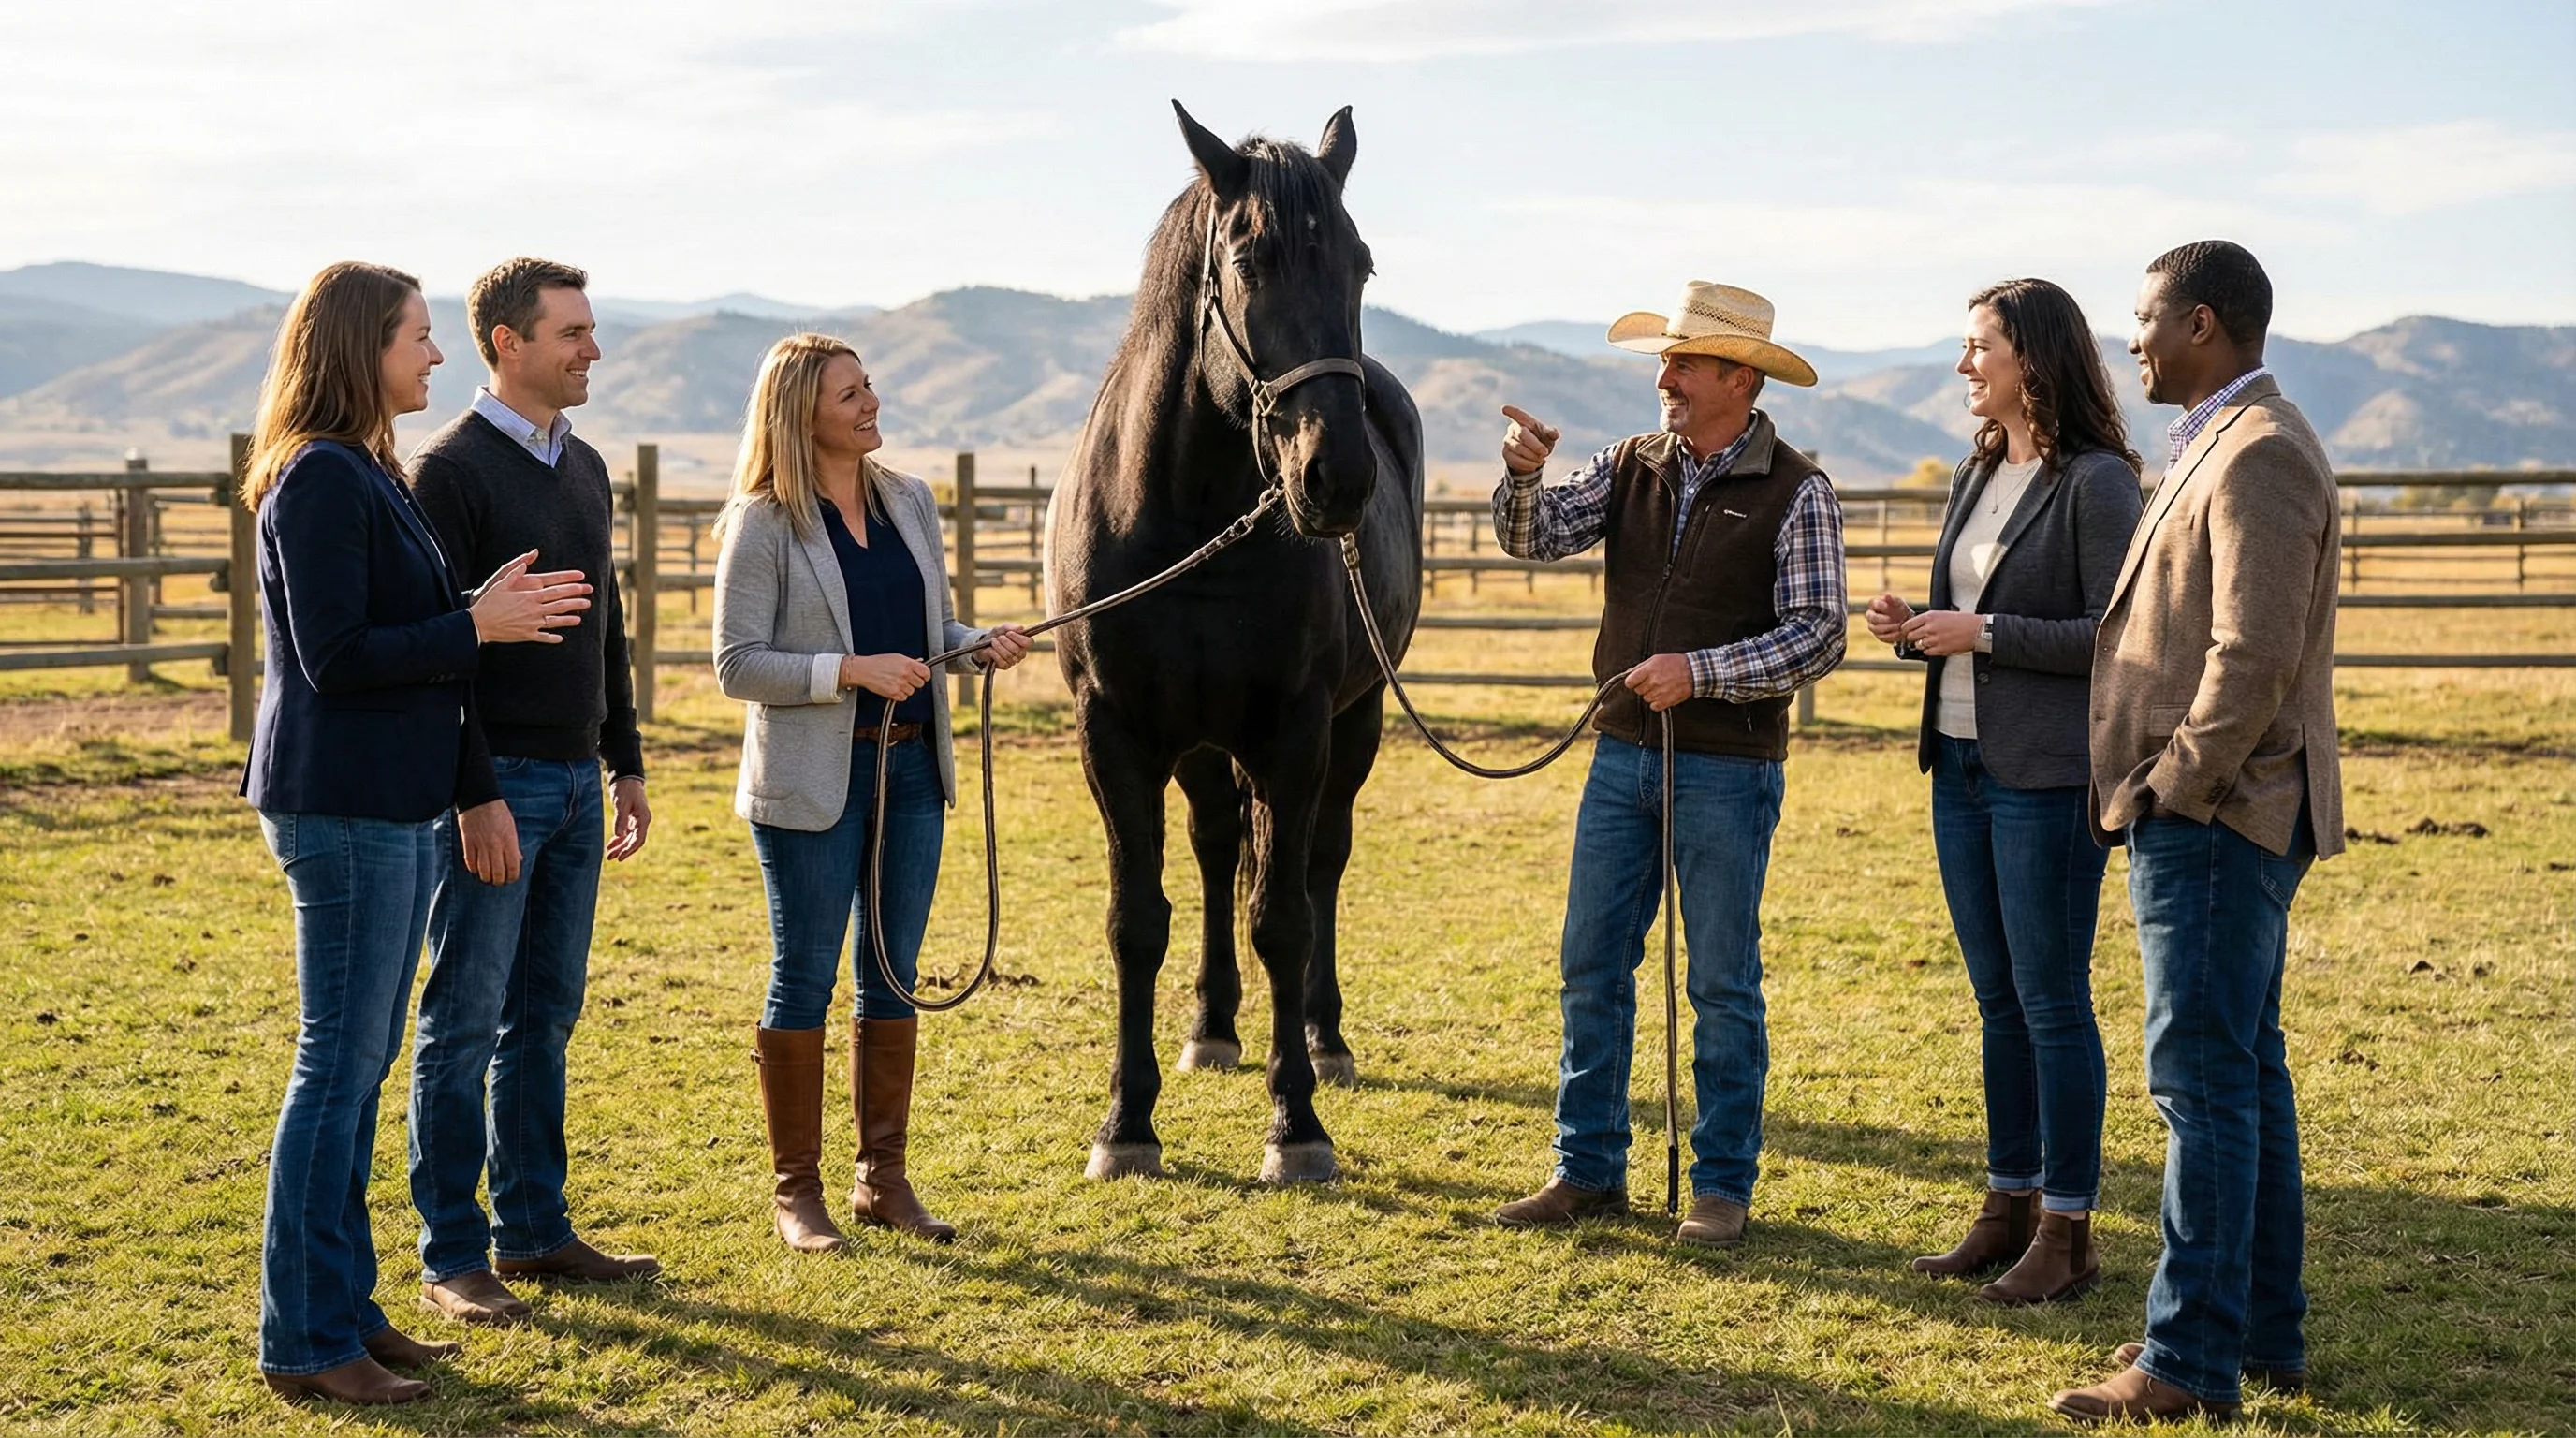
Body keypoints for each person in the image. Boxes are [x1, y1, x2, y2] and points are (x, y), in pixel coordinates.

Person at [240, 261, 588, 1402]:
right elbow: (335, 658)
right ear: (360, 347)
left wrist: (470, 619)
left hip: (386, 803)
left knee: (358, 1066)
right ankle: (306, 1341)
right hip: (341, 805)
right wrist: (474, 626)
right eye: (417, 336)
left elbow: (399, 638)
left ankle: (347, 1311)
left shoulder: (367, 470)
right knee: (335, 1071)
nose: (436, 355)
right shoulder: (318, 478)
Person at [2049, 242, 2345, 1425]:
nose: (2130, 339)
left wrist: (2176, 784)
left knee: (2201, 1086)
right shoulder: (2218, 441)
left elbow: (2252, 653)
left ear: (2202, 324)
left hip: (2219, 814)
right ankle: (2260, 1334)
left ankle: (2186, 1360)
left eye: (2144, 318)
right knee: (2241, 1074)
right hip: (2214, 812)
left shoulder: (2260, 451)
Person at [1487, 282, 1846, 1247]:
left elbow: (1818, 635)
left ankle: (1721, 1186)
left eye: (1685, 363)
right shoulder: (1630, 463)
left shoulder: (1798, 490)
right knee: (1591, 965)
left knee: (1721, 982)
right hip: (1621, 758)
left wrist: (1701, 671)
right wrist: (1523, 478)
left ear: (1739, 378)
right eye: (1665, 360)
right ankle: (1586, 1170)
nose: (1666, 378)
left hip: (1728, 769)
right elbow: (1536, 537)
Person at [713, 333, 1031, 1253]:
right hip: (814, 780)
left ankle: (881, 1179)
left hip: (914, 770)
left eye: (869, 386)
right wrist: (848, 671)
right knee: (805, 975)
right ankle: (796, 1193)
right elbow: (737, 664)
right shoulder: (764, 521)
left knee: (893, 970)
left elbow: (929, 629)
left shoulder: (909, 501)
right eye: (848, 394)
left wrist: (973, 646)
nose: (870, 403)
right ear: (800, 414)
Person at [1864, 280, 2144, 1302]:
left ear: (2032, 356)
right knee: (1997, 1002)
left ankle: (2067, 1233)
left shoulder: (2097, 483)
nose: (1962, 364)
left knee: (2051, 1003)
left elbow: (2115, 636)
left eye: (1978, 345)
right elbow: (1969, 613)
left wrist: (1979, 632)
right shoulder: (1976, 470)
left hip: (2046, 777)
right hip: (1960, 765)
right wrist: (1918, 627)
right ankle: (2007, 1208)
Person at [405, 257, 658, 1328]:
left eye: (591, 330)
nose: (592, 349)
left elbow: (605, 625)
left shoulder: (585, 464)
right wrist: (475, 795)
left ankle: (536, 1229)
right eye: (572, 333)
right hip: (493, 785)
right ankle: (453, 1255)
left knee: (545, 1016)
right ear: (508, 343)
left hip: (574, 777)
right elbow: (441, 653)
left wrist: (625, 759)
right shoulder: (448, 472)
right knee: (464, 1020)